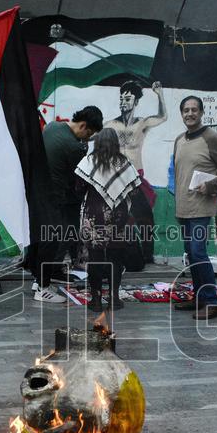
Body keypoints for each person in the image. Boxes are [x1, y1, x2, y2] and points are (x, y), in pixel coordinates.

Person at [172, 96, 217, 320]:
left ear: (201, 113)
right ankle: (199, 298)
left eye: (194, 110)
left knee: (199, 252)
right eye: (185, 110)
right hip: (184, 207)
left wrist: (210, 185)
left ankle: (212, 301)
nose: (189, 114)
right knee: (191, 254)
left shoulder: (212, 138)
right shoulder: (179, 139)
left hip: (201, 207)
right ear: (181, 114)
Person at [36, 105, 103, 304]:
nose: (86, 139)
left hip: (38, 194)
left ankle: (39, 280)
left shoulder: (52, 127)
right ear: (83, 125)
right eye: (88, 134)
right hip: (55, 198)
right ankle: (42, 288)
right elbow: (80, 176)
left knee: (42, 240)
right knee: (53, 241)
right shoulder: (75, 147)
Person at [74, 128, 141, 311]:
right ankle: (114, 298)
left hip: (93, 216)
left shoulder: (88, 162)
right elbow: (134, 191)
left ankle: (95, 299)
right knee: (115, 259)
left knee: (94, 258)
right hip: (118, 217)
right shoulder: (124, 163)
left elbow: (78, 188)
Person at [104, 80, 165, 267]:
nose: (123, 102)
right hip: (116, 179)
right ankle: (115, 255)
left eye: (128, 98)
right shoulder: (111, 124)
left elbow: (162, 117)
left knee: (145, 218)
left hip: (135, 177)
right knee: (116, 219)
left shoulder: (142, 124)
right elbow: (93, 136)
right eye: (121, 98)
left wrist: (160, 94)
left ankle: (147, 256)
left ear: (136, 102)